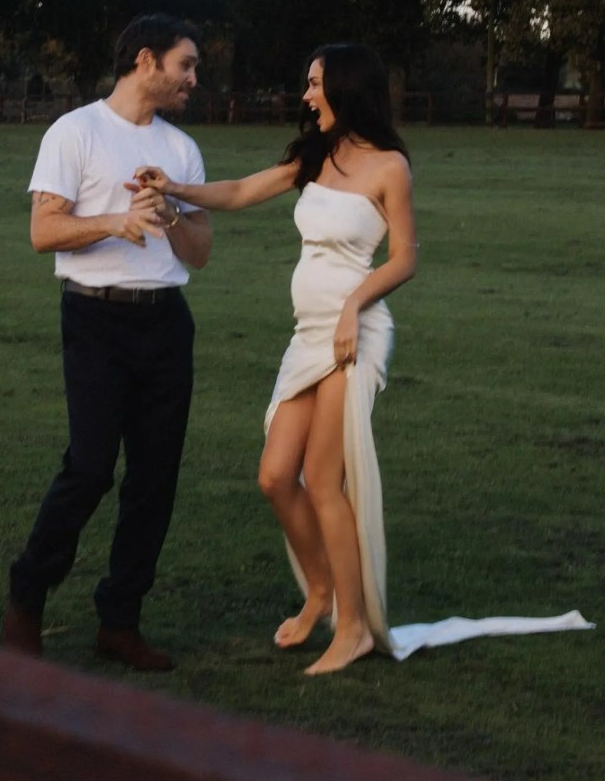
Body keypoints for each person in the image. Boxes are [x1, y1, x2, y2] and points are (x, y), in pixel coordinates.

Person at [136, 42, 417, 675]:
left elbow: (405, 257)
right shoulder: (313, 156)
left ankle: (353, 629)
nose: (307, 95)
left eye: (315, 84)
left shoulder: (389, 167)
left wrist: (354, 308)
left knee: (322, 479)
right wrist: (173, 187)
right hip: (307, 334)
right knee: (273, 475)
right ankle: (319, 591)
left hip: (354, 336)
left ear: (346, 88)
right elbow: (238, 192)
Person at [2, 13, 212, 672]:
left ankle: (120, 621)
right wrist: (115, 222)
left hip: (165, 322)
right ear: (145, 61)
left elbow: (200, 253)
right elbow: (44, 232)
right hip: (95, 320)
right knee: (90, 467)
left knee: (155, 479)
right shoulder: (76, 132)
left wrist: (170, 209)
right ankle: (27, 598)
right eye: (186, 66)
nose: (194, 80)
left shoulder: (180, 150)